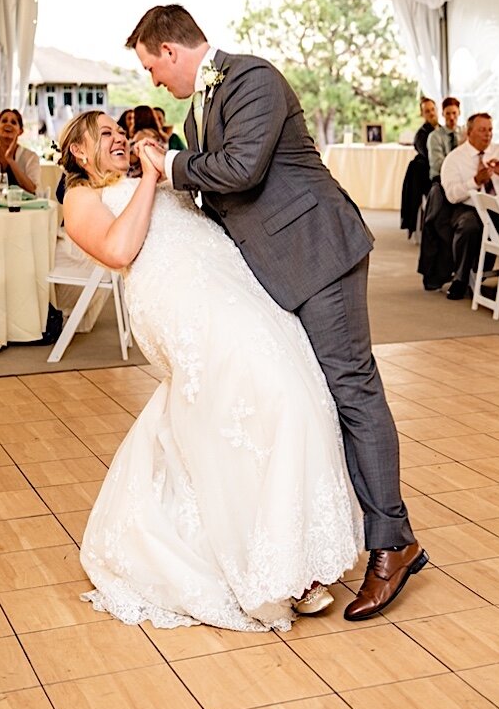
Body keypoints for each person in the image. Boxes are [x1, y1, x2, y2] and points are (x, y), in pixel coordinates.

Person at [127, 4, 424, 621]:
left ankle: (393, 542)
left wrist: (172, 166)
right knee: (320, 392)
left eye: (153, 67)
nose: (155, 81)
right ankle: (371, 531)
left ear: (173, 51)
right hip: (282, 264)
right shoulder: (202, 103)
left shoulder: (252, 78)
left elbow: (239, 170)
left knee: (352, 389)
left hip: (317, 251)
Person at [60, 112, 359, 629]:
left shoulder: (149, 171)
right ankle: (274, 568)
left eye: (119, 131)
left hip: (233, 287)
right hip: (182, 301)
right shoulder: (80, 196)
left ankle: (292, 552)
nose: (119, 139)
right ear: (81, 153)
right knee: (267, 395)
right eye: (104, 134)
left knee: (291, 391)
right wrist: (152, 178)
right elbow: (119, 249)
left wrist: (169, 169)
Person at [440, 112, 499, 300]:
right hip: (470, 209)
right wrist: (475, 181)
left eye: (490, 130)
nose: (487, 134)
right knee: (469, 225)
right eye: (482, 130)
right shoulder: (454, 158)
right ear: (469, 132)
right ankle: (460, 278)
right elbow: (451, 195)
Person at [401, 96, 437, 236]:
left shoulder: (443, 130)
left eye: (433, 109)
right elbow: (430, 158)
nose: (431, 113)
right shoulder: (421, 135)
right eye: (427, 111)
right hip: (427, 176)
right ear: (422, 114)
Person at [427, 97, 464, 181]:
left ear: (459, 113)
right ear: (443, 114)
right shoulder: (434, 136)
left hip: (462, 178)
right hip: (440, 178)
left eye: (454, 113)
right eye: (448, 113)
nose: (451, 117)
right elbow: (438, 165)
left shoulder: (465, 134)